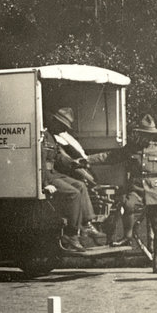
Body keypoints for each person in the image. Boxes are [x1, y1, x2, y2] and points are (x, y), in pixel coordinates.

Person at [84, 114, 157, 274]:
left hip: (156, 193)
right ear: (139, 134)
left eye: (150, 135)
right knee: (128, 204)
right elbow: (110, 156)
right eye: (144, 134)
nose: (147, 138)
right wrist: (88, 159)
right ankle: (127, 236)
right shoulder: (131, 148)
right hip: (137, 189)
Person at [41, 107, 98, 253]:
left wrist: (74, 163)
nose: (62, 130)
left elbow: (58, 158)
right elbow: (39, 162)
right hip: (46, 175)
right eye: (61, 126)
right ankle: (71, 235)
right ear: (54, 122)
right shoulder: (43, 136)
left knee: (80, 185)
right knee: (73, 193)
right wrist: (45, 184)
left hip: (53, 172)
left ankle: (86, 225)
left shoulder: (52, 137)